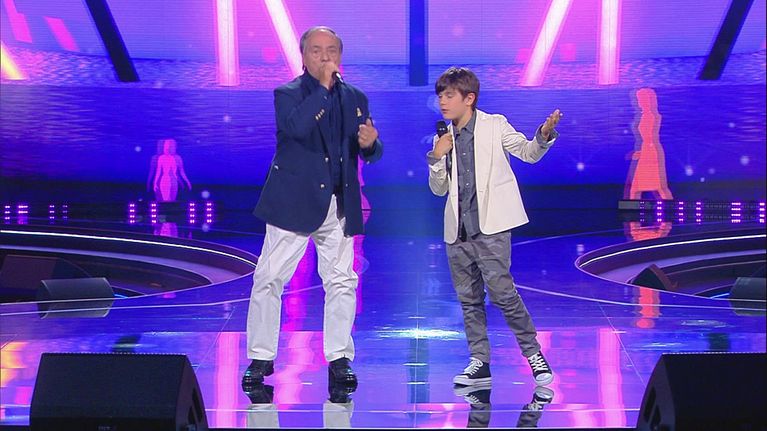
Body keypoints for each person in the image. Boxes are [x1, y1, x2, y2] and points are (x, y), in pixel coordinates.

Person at [243, 26, 383, 389]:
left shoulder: (355, 97)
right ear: (303, 56)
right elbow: (297, 129)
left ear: (340, 55)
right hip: (293, 202)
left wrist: (370, 144)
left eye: (331, 50)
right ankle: (261, 357)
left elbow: (367, 150)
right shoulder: (287, 94)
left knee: (342, 281)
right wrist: (322, 88)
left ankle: (339, 358)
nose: (325, 57)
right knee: (269, 278)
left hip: (338, 203)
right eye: (317, 50)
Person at [426, 67, 561, 387]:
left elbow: (528, 153)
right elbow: (438, 189)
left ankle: (533, 354)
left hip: (491, 228)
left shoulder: (494, 125)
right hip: (457, 232)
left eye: (449, 95)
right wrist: (436, 157)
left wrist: (543, 135)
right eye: (440, 95)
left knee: (503, 293)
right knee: (469, 299)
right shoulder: (443, 137)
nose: (442, 102)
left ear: (469, 98)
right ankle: (479, 360)